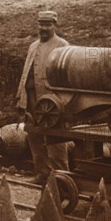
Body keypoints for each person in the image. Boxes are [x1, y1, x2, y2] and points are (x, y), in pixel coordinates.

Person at [16, 10, 70, 185]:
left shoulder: (62, 45)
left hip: (51, 103)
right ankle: (42, 173)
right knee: (34, 136)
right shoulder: (33, 46)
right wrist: (20, 98)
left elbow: (66, 77)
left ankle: (61, 178)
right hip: (31, 99)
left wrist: (61, 102)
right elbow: (25, 74)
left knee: (55, 139)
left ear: (55, 25)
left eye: (48, 25)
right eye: (41, 24)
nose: (44, 28)